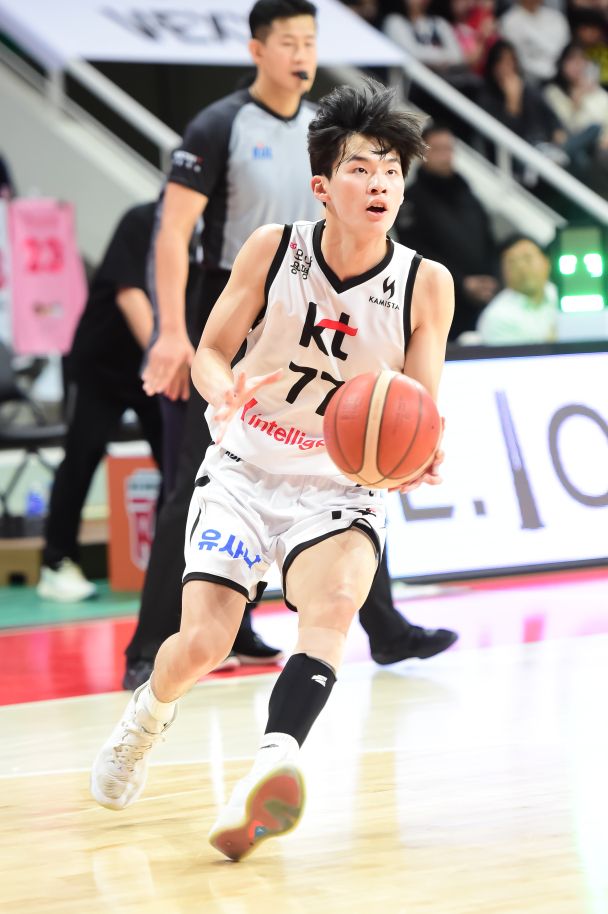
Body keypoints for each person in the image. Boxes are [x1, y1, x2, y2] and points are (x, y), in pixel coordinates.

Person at [90, 77, 455, 862]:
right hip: (246, 469)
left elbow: (421, 406)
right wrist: (221, 386)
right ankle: (145, 718)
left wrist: (422, 454)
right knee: (202, 642)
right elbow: (212, 351)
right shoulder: (273, 249)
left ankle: (270, 766)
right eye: (361, 168)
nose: (380, 183)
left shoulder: (426, 284)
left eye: (391, 170)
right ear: (322, 187)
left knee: (334, 609)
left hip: (340, 484)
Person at [123, 0, 458, 689]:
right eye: (289, 42)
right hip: (246, 297)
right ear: (258, 50)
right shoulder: (220, 125)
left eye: (311, 41)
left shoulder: (334, 136)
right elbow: (171, 229)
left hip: (335, 290)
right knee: (198, 481)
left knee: (360, 447)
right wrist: (173, 331)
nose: (302, 54)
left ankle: (377, 625)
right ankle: (151, 649)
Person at [36, 203, 164, 602]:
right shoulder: (142, 221)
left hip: (152, 369)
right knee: (82, 455)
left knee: (179, 462)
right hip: (102, 364)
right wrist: (169, 360)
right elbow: (130, 296)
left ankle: (169, 561)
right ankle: (56, 562)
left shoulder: (209, 230)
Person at [396, 123, 499, 339]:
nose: (445, 155)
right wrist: (462, 283)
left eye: (449, 148)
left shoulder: (467, 192)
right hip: (439, 302)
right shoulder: (411, 200)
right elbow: (415, 252)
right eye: (438, 149)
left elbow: (488, 237)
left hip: (482, 299)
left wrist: (492, 277)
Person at [476, 234, 558, 343]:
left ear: (546, 262)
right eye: (512, 262)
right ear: (503, 273)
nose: (522, 267)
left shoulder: (562, 295)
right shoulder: (497, 317)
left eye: (527, 258)